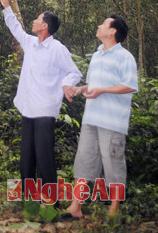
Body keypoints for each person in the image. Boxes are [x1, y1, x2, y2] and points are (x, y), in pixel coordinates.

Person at [0, 0, 82, 199]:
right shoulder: (30, 43)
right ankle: (27, 198)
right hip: (28, 109)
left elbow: (74, 72)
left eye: (37, 19)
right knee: (26, 158)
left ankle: (51, 202)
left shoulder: (57, 49)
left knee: (44, 158)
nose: (34, 21)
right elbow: (15, 28)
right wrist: (6, 6)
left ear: (45, 26)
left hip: (45, 111)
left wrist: (66, 85)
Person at [61, 14, 138, 221]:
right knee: (84, 160)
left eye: (103, 23)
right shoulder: (97, 55)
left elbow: (130, 85)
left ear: (112, 31)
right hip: (90, 118)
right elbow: (95, 86)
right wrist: (80, 90)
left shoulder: (124, 57)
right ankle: (75, 208)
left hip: (112, 121)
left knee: (113, 164)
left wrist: (102, 90)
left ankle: (113, 211)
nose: (98, 25)